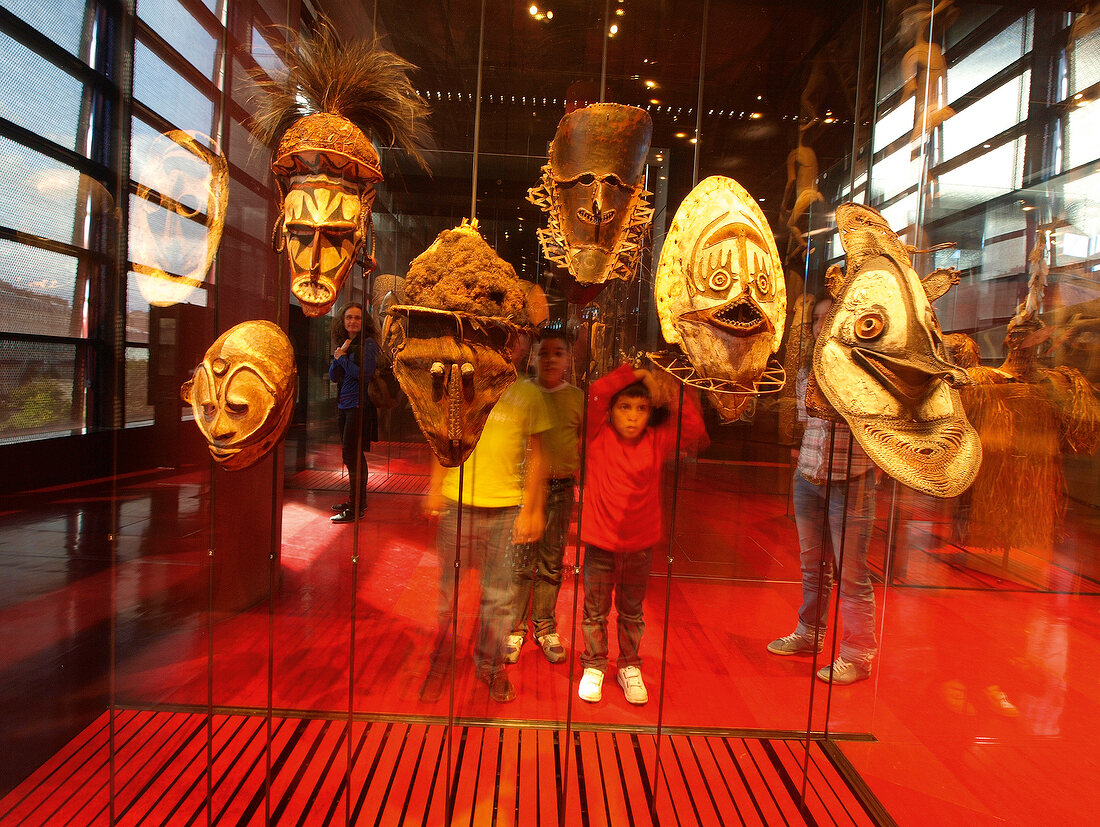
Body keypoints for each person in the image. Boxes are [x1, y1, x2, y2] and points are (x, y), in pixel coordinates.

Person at [419, 333, 550, 704]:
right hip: (457, 502)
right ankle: (441, 661)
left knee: (498, 598)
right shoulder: (460, 382)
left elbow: (537, 453)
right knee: (450, 594)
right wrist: (434, 485)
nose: (508, 346)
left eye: (514, 339)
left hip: (506, 507)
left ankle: (491, 665)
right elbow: (442, 437)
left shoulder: (528, 393)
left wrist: (533, 507)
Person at [577, 364, 706, 705]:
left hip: (639, 545)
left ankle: (629, 664)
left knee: (632, 612)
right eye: (624, 408)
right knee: (595, 611)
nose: (633, 417)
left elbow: (692, 428)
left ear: (651, 413)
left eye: (641, 409)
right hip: (601, 544)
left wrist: (669, 391)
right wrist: (638, 375)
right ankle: (594, 665)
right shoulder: (597, 433)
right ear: (611, 411)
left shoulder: (657, 439)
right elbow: (595, 391)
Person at [767, 297, 879, 684]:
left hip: (852, 480)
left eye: (827, 317)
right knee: (813, 567)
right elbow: (806, 426)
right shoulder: (807, 371)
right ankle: (810, 632)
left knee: (851, 574)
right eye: (816, 319)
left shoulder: (867, 372)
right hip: (810, 478)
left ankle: (858, 654)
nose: (819, 325)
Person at [504, 325, 584, 665]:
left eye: (558, 353)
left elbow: (582, 438)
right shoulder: (522, 393)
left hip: (562, 487)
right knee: (521, 560)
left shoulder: (578, 398)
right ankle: (514, 627)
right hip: (525, 487)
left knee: (552, 562)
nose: (551, 359)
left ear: (568, 359)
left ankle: (545, 625)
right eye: (544, 353)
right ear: (534, 358)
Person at [328, 303, 379, 524]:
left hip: (359, 407)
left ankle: (355, 506)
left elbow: (364, 374)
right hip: (345, 406)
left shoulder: (368, 344)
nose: (352, 322)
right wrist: (340, 356)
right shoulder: (347, 344)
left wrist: (342, 358)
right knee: (352, 457)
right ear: (343, 321)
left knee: (353, 457)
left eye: (357, 318)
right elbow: (332, 375)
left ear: (363, 321)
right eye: (349, 317)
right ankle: (357, 502)